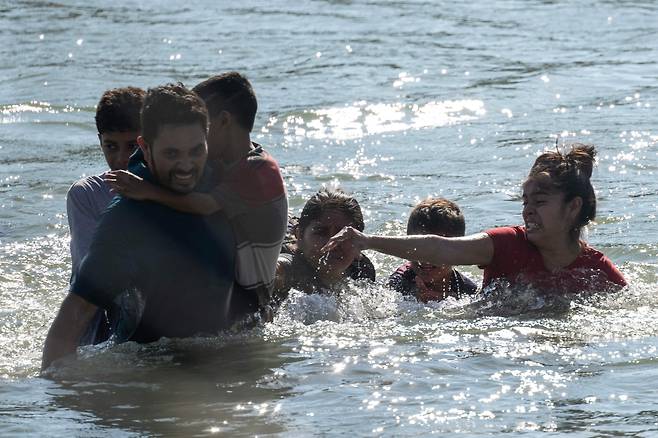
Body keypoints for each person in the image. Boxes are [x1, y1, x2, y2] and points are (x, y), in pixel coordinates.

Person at [42, 83, 254, 371]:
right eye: (171, 154)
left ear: (209, 140)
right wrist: (58, 397)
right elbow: (73, 318)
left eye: (195, 150)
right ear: (146, 148)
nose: (186, 166)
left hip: (228, 360)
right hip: (153, 365)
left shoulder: (225, 178)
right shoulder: (126, 220)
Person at [323, 144, 627, 295]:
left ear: (573, 208)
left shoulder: (598, 271)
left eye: (540, 202)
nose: (527, 211)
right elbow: (441, 248)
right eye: (525, 202)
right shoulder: (505, 243)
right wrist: (368, 241)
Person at [104, 72, 287, 317]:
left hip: (249, 307)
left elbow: (204, 206)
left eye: (203, 126)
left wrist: (146, 190)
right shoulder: (225, 162)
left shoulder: (259, 169)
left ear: (224, 121)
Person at [67, 87, 145, 274]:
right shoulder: (86, 194)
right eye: (111, 146)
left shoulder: (170, 188)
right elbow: (89, 277)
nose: (121, 158)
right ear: (100, 141)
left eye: (132, 146)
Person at [273, 189, 375, 301]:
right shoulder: (288, 268)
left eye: (343, 234)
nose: (332, 243)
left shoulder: (361, 270)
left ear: (359, 240)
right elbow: (274, 270)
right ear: (299, 235)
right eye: (321, 232)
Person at [388, 198, 478, 302]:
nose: (425, 259)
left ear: (456, 251)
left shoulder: (468, 290)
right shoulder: (397, 283)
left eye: (435, 251)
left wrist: (447, 299)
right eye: (419, 248)